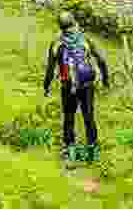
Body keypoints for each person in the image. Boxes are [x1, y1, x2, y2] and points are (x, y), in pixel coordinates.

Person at [43, 11, 110, 160]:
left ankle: (71, 152)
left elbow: (50, 69)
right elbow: (102, 60)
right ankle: (93, 152)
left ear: (60, 27)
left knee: (69, 117)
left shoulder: (56, 44)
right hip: (87, 84)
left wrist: (46, 87)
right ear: (74, 22)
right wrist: (105, 80)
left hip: (68, 86)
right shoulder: (85, 39)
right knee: (89, 117)